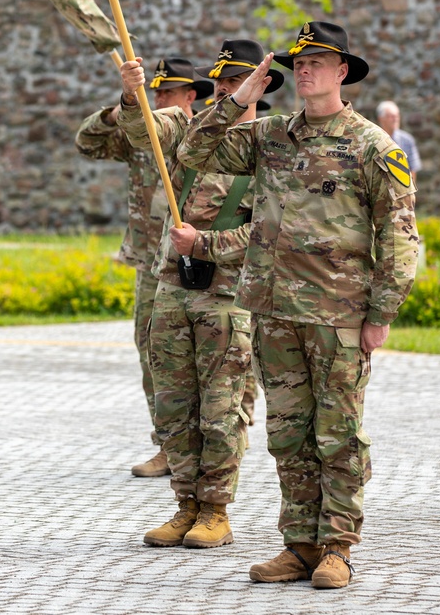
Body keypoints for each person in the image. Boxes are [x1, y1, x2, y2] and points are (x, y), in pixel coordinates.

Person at [179, 22, 419, 587]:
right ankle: (300, 545)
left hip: (338, 314)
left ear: (342, 72)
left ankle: (338, 546)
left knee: (338, 433)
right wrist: (243, 95)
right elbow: (193, 149)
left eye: (317, 61)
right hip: (273, 310)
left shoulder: (370, 146)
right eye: (297, 63)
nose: (304, 69)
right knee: (288, 433)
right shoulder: (269, 135)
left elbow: (401, 235)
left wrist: (380, 314)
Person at [118, 40, 281, 549]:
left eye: (236, 82)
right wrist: (131, 96)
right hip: (172, 286)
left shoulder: (272, 146)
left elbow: (270, 233)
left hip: (226, 294)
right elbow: (140, 128)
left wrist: (207, 244)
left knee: (220, 408)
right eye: (221, 84)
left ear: (260, 86)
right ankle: (184, 503)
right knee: (174, 404)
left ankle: (215, 510)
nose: (226, 91)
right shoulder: (190, 133)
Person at [74, 57, 212, 478]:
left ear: (191, 96)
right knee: (155, 354)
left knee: (211, 357)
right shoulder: (141, 134)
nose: (160, 99)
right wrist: (122, 107)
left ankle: (214, 446)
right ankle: (169, 445)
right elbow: (87, 143)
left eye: (168, 92)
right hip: (150, 262)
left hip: (201, 260)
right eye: (156, 92)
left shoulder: (209, 135)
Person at [376, 100, 422, 180]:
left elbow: (413, 169)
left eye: (397, 116)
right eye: (391, 116)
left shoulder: (407, 140)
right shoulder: (373, 140)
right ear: (381, 119)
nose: (395, 119)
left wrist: (410, 191)